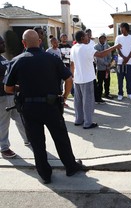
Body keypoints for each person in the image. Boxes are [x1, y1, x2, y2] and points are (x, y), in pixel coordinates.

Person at [4, 29, 86, 184]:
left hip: (29, 109)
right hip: (51, 106)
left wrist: (23, 88)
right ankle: (70, 166)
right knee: (61, 138)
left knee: (37, 142)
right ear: (40, 42)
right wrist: (64, 96)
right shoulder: (52, 58)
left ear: (23, 43)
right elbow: (69, 79)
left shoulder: (17, 60)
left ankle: (45, 174)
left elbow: (7, 89)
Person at [70, 30, 121, 129]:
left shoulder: (73, 48)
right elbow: (101, 54)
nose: (88, 37)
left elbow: (72, 64)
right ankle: (88, 123)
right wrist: (115, 47)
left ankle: (78, 120)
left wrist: (73, 76)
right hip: (87, 79)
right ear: (82, 38)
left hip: (77, 78)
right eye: (86, 36)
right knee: (88, 102)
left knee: (78, 101)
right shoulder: (86, 48)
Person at [0, 35, 30, 158]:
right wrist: (17, 86)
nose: (4, 45)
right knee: (3, 123)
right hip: (1, 97)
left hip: (11, 95)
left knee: (20, 118)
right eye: (1, 43)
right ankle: (4, 148)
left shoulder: (2, 58)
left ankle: (28, 139)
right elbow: (3, 80)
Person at [114, 22, 131, 101]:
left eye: (122, 28)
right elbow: (117, 49)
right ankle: (120, 93)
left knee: (129, 79)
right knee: (120, 79)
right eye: (120, 28)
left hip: (129, 62)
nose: (121, 29)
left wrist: (127, 58)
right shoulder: (118, 38)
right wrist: (123, 58)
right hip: (120, 62)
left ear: (126, 29)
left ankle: (130, 93)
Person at [94, 33, 113, 102]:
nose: (102, 39)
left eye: (104, 38)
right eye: (101, 38)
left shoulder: (107, 46)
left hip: (107, 68)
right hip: (100, 68)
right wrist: (106, 63)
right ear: (99, 39)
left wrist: (108, 63)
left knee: (107, 81)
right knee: (100, 82)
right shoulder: (95, 47)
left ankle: (107, 93)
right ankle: (99, 95)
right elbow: (98, 57)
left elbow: (109, 56)